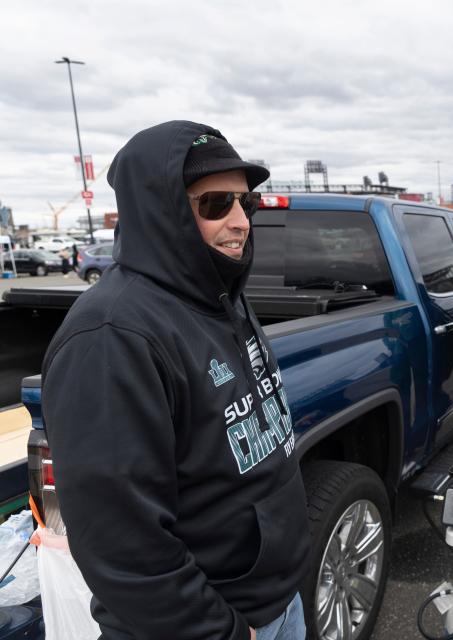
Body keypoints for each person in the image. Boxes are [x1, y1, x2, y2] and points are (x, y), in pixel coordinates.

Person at [41, 121, 309, 640]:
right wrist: (223, 632)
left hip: (275, 603)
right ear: (161, 211)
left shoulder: (221, 297)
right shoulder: (111, 337)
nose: (240, 222)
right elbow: (122, 545)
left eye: (245, 204)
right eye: (215, 205)